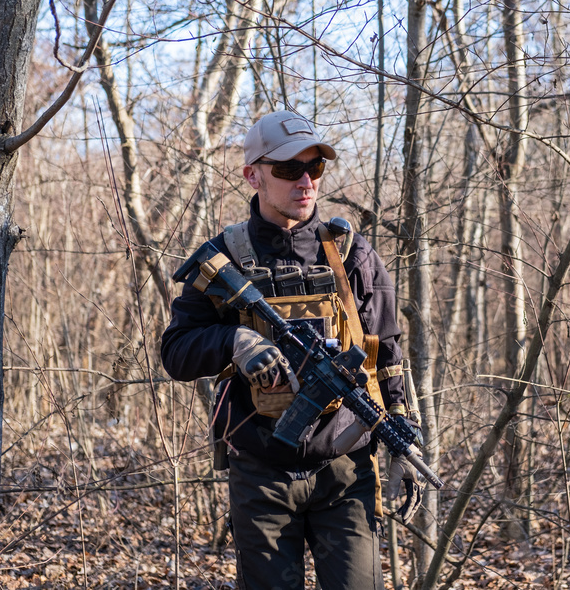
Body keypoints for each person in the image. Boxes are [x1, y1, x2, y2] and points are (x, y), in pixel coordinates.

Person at [161, 110, 420, 590]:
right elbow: (175, 353)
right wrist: (232, 340)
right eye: (287, 169)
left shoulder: (352, 255)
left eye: (315, 168)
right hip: (261, 471)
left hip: (346, 468)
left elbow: (387, 352)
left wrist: (402, 434)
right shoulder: (222, 260)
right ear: (252, 175)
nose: (305, 181)